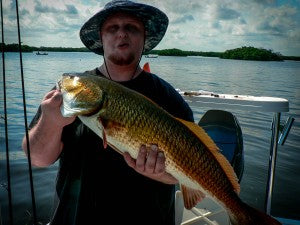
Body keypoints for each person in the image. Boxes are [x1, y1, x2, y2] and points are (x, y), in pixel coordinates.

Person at [22, 1, 194, 224]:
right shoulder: (72, 90)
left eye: (131, 28)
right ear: (101, 39)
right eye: (112, 28)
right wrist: (50, 122)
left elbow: (188, 170)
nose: (121, 33)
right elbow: (37, 158)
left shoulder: (170, 98)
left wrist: (164, 175)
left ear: (144, 38)